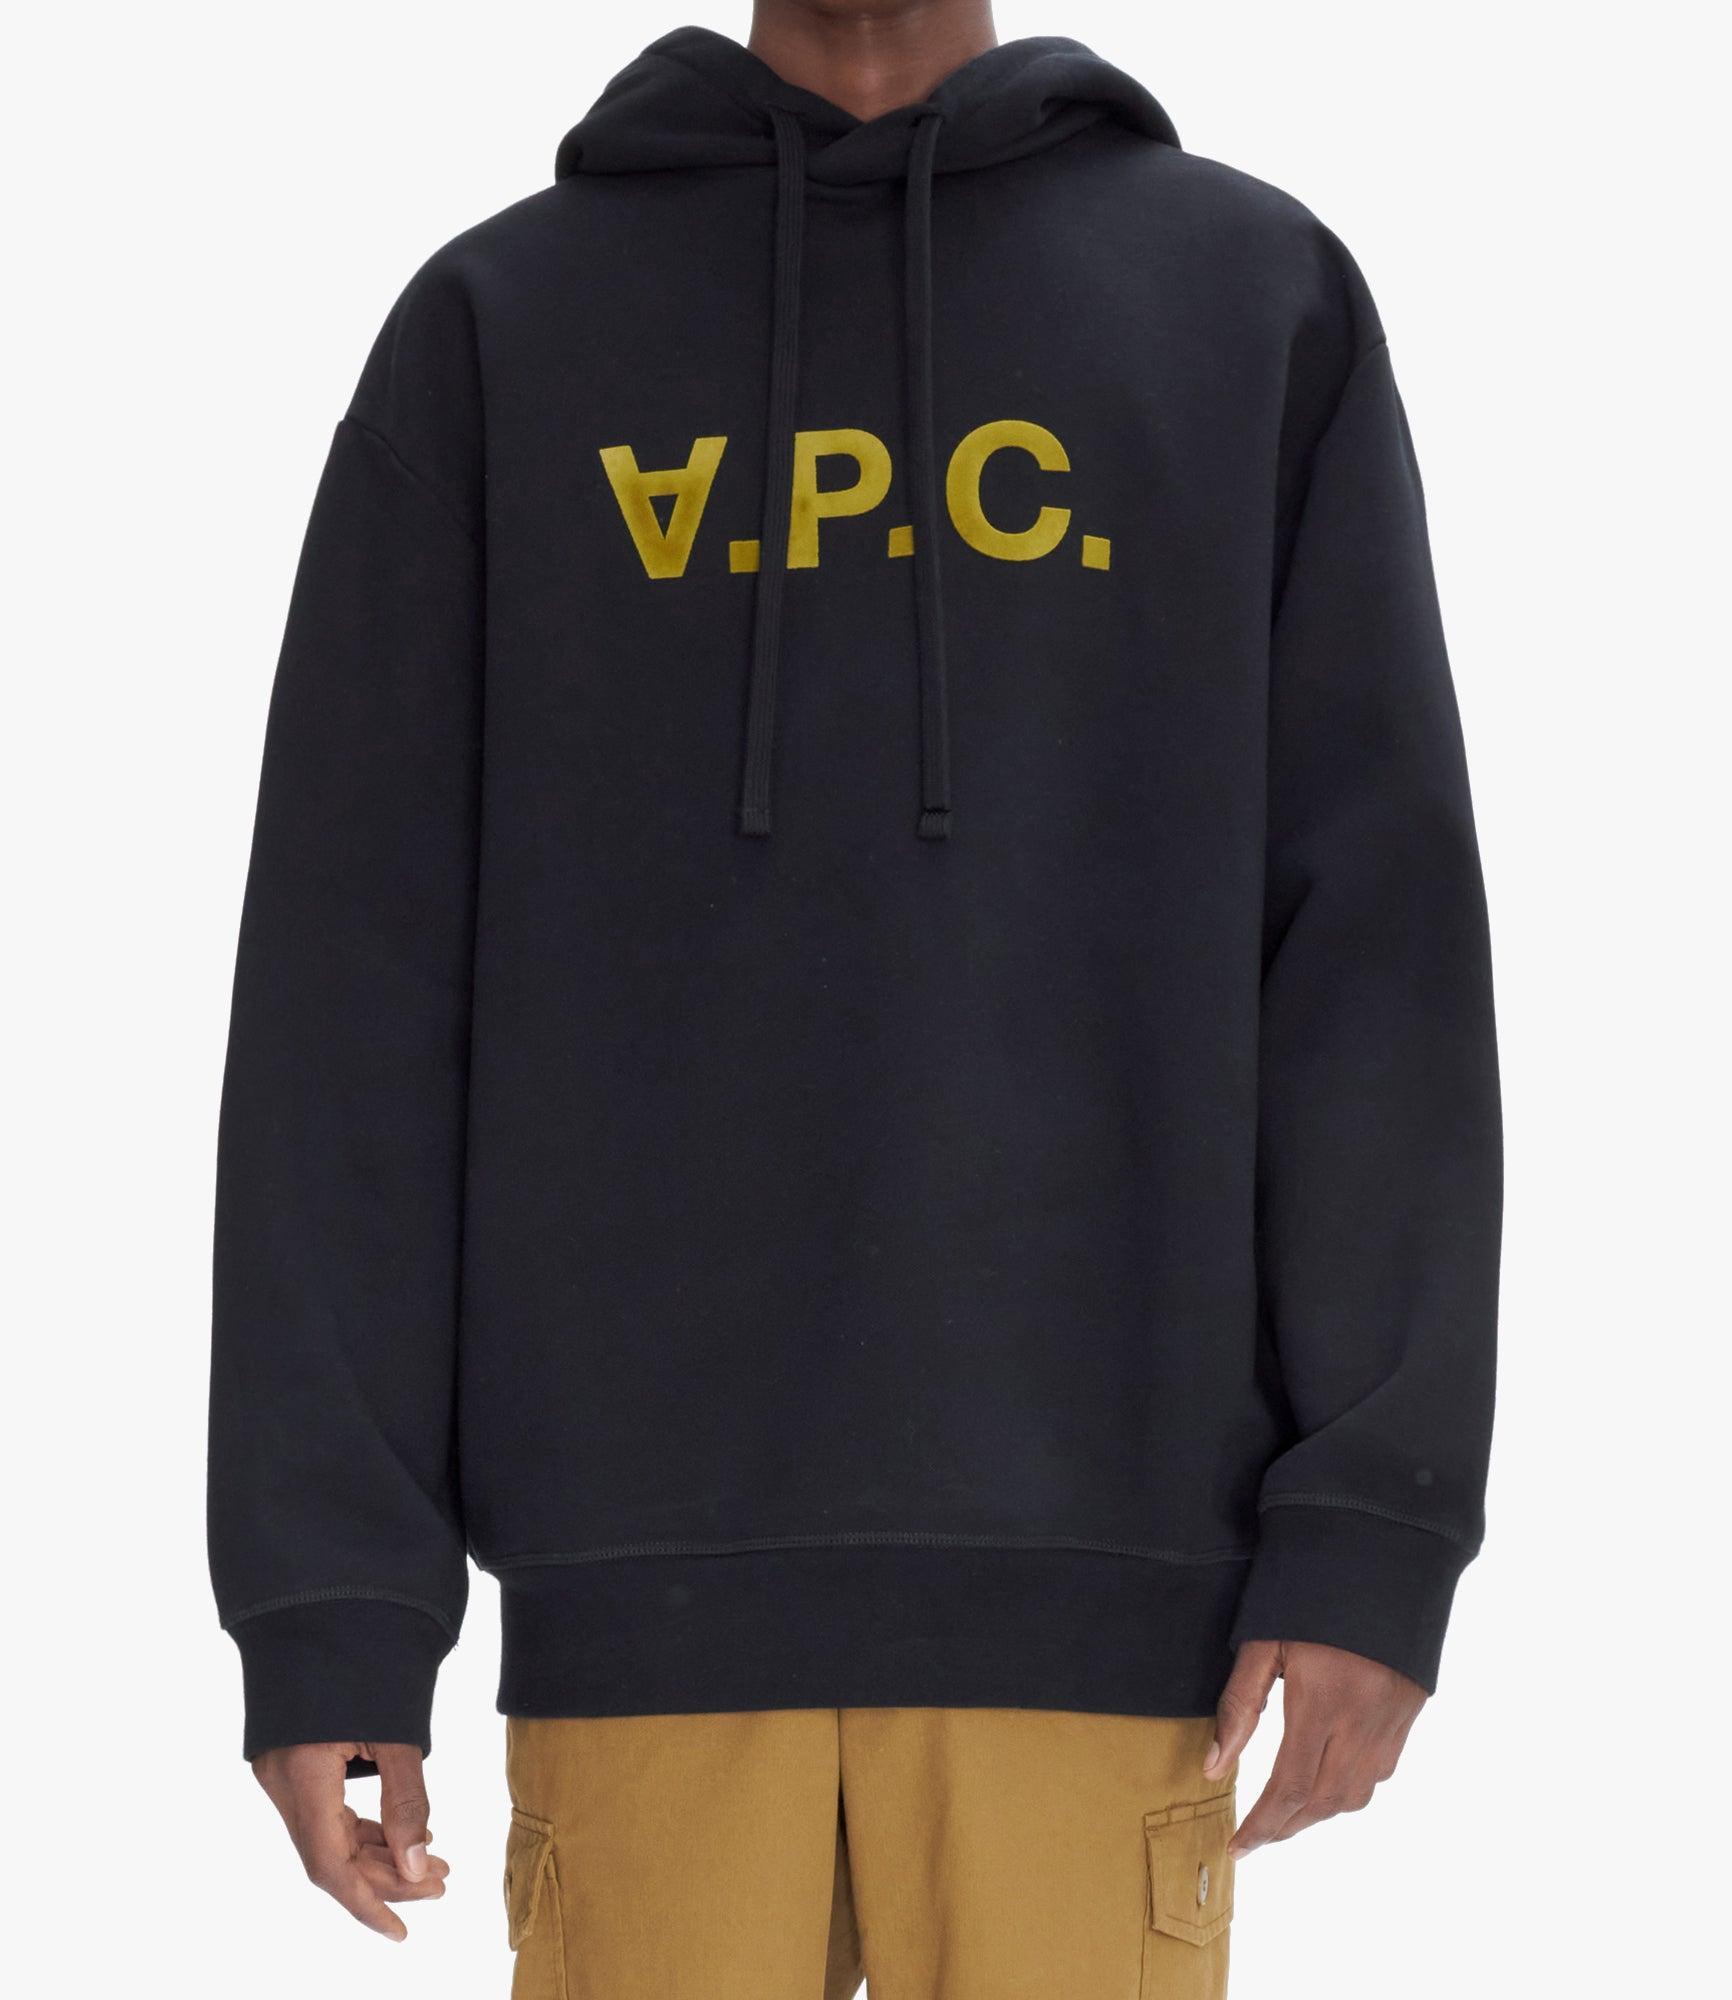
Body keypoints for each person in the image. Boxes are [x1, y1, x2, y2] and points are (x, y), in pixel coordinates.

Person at [209, 1, 1501, 1992]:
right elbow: (351, 981)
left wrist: (1373, 1523)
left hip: (1111, 1611)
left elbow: (1373, 950)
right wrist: (332, 1593)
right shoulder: (504, 332)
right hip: (638, 1609)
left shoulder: (1248, 304)